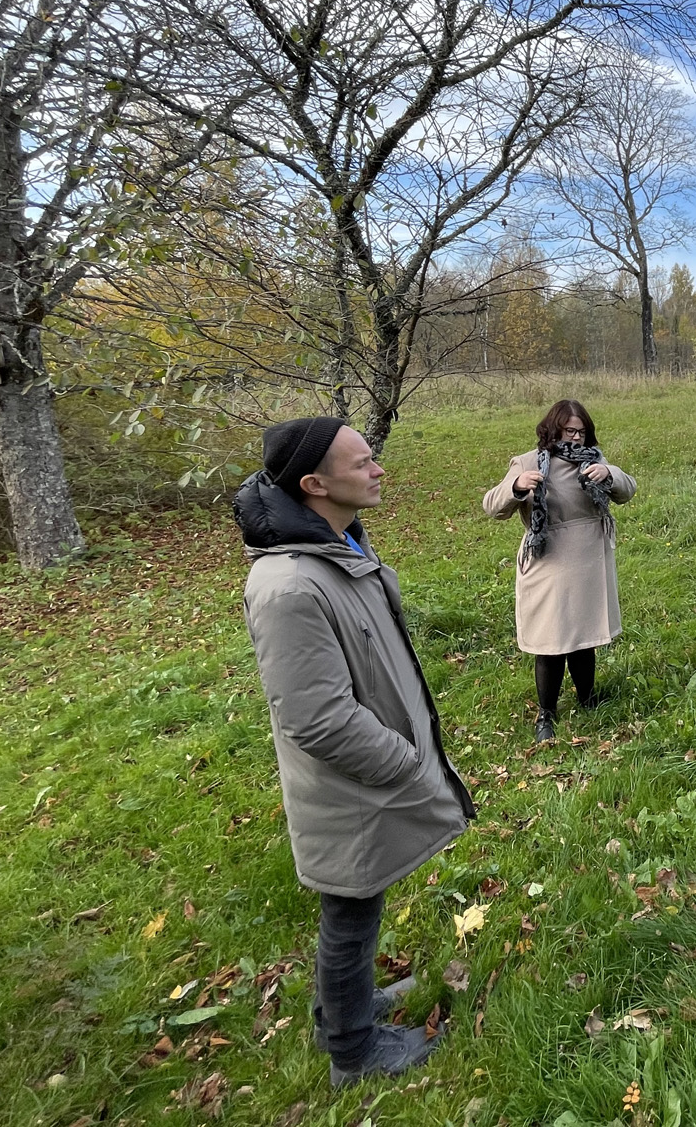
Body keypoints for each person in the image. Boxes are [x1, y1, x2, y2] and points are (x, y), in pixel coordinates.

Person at [235, 417, 474, 1088]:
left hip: (366, 777)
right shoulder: (288, 586)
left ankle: (344, 1008)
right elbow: (317, 718)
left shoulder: (336, 546)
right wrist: (403, 762)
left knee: (356, 902)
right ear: (314, 484)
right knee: (350, 905)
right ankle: (353, 1050)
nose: (378, 470)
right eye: (363, 462)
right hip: (352, 786)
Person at [483, 399, 636, 742]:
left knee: (585, 637)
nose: (577, 438)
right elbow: (492, 506)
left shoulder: (594, 460)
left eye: (582, 431)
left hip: (589, 560)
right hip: (548, 560)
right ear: (554, 428)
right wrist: (518, 486)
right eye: (570, 431)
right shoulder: (526, 462)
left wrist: (610, 475)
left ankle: (587, 699)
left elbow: (628, 491)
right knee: (550, 640)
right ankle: (546, 715)